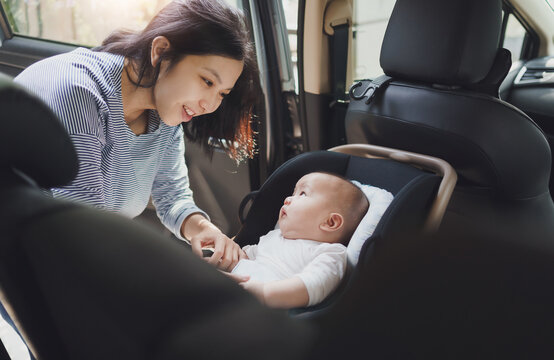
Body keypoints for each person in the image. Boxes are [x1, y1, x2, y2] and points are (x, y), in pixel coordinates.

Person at [14, 0, 261, 271]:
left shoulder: (164, 113)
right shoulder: (79, 94)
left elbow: (172, 196)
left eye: (222, 93)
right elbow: (83, 229)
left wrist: (202, 228)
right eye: (207, 81)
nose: (210, 105)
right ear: (161, 51)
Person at [229, 172, 369, 309]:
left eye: (302, 194)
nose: (287, 199)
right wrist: (227, 258)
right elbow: (246, 258)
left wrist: (264, 293)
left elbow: (312, 284)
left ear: (330, 222)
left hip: (260, 305)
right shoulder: (274, 236)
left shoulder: (330, 253)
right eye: (293, 193)